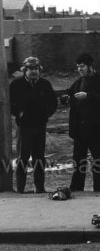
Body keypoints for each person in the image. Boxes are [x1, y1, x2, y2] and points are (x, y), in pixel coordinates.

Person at [62, 53, 100, 192]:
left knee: (98, 162)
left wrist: (88, 96)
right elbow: (69, 95)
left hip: (96, 129)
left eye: (82, 66)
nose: (80, 69)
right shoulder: (78, 83)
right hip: (79, 130)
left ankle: (99, 190)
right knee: (78, 162)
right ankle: (77, 189)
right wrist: (65, 98)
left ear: (90, 66)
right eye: (78, 67)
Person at [10, 56, 57, 193]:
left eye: (36, 68)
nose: (34, 71)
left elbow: (53, 103)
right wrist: (18, 113)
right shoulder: (16, 85)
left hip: (40, 127)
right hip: (24, 128)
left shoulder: (44, 84)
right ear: (25, 70)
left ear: (39, 69)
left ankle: (40, 188)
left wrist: (46, 115)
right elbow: (9, 103)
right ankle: (20, 189)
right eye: (30, 69)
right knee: (22, 158)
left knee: (39, 158)